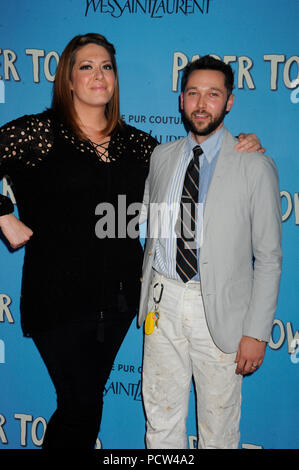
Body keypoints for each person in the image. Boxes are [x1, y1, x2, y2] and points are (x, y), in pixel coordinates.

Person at [0, 32, 263, 449]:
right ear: (67, 79)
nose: (98, 75)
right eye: (86, 66)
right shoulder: (38, 133)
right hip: (58, 300)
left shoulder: (141, 146)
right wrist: (3, 214)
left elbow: (192, 168)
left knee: (84, 408)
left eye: (106, 66)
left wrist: (242, 145)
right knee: (80, 404)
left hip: (120, 300)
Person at [139, 55, 282, 449]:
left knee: (219, 431)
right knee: (161, 419)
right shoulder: (161, 157)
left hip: (219, 312)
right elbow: (150, 231)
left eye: (213, 95)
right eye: (193, 93)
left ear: (229, 102)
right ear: (181, 100)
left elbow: (269, 257)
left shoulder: (254, 164)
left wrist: (256, 332)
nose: (202, 104)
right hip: (162, 302)